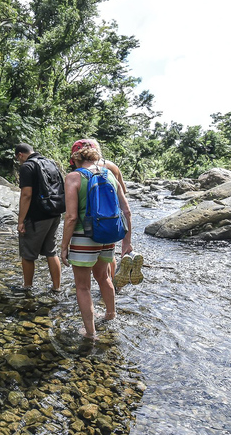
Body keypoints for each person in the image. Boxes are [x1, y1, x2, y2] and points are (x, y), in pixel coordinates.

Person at [60, 141, 132, 338]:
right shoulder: (109, 174)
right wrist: (127, 241)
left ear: (75, 158)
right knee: (104, 277)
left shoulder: (73, 178)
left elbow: (71, 217)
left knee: (83, 287)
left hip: (84, 237)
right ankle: (111, 315)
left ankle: (90, 333)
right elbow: (126, 210)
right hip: (107, 235)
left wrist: (64, 246)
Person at [70, 139, 141, 288]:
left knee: (86, 279)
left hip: (91, 220)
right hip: (113, 217)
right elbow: (122, 194)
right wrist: (127, 239)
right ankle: (112, 282)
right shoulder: (111, 167)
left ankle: (103, 282)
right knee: (108, 252)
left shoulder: (79, 173)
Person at [15, 143, 62, 291]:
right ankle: (57, 287)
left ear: (20, 154)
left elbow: (26, 194)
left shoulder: (27, 167)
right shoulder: (50, 162)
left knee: (28, 254)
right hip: (54, 212)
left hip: (37, 216)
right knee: (51, 251)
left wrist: (21, 221)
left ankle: (27, 287)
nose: (19, 161)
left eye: (18, 159)